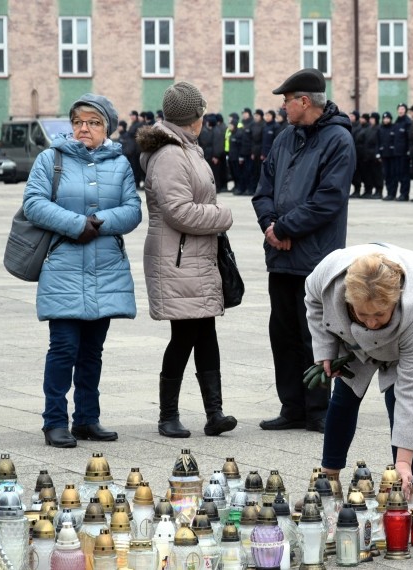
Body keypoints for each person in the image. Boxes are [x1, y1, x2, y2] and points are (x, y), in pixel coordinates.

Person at [23, 93, 142, 448]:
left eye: (92, 122)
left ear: (107, 127)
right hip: (63, 268)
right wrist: (77, 224)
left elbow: (133, 209)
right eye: (78, 122)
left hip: (105, 268)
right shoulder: (51, 158)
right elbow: (33, 203)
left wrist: (100, 222)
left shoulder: (119, 163)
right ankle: (54, 421)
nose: (83, 129)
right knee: (63, 349)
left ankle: (87, 419)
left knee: (93, 352)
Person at [307, 244, 413, 497]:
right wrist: (325, 348)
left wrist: (403, 461)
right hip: (353, 330)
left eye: (379, 314)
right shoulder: (328, 276)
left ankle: (402, 481)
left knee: (398, 393)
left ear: (395, 300)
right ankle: (328, 478)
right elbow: (313, 302)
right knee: (345, 391)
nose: (370, 322)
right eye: (362, 314)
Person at [252, 67, 355, 433]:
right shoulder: (284, 138)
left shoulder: (338, 140)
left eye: (286, 100)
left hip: (315, 257)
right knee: (283, 334)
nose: (282, 107)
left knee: (316, 334)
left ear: (305, 101)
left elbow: (329, 200)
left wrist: (284, 227)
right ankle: (291, 406)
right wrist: (270, 225)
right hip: (280, 257)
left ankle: (317, 409)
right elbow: (262, 190)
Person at [137, 81, 238, 439]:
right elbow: (179, 211)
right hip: (176, 258)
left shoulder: (185, 148)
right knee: (183, 336)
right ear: (193, 118)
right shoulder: (170, 155)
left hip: (193, 257)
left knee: (205, 332)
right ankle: (168, 416)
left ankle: (215, 413)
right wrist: (222, 216)